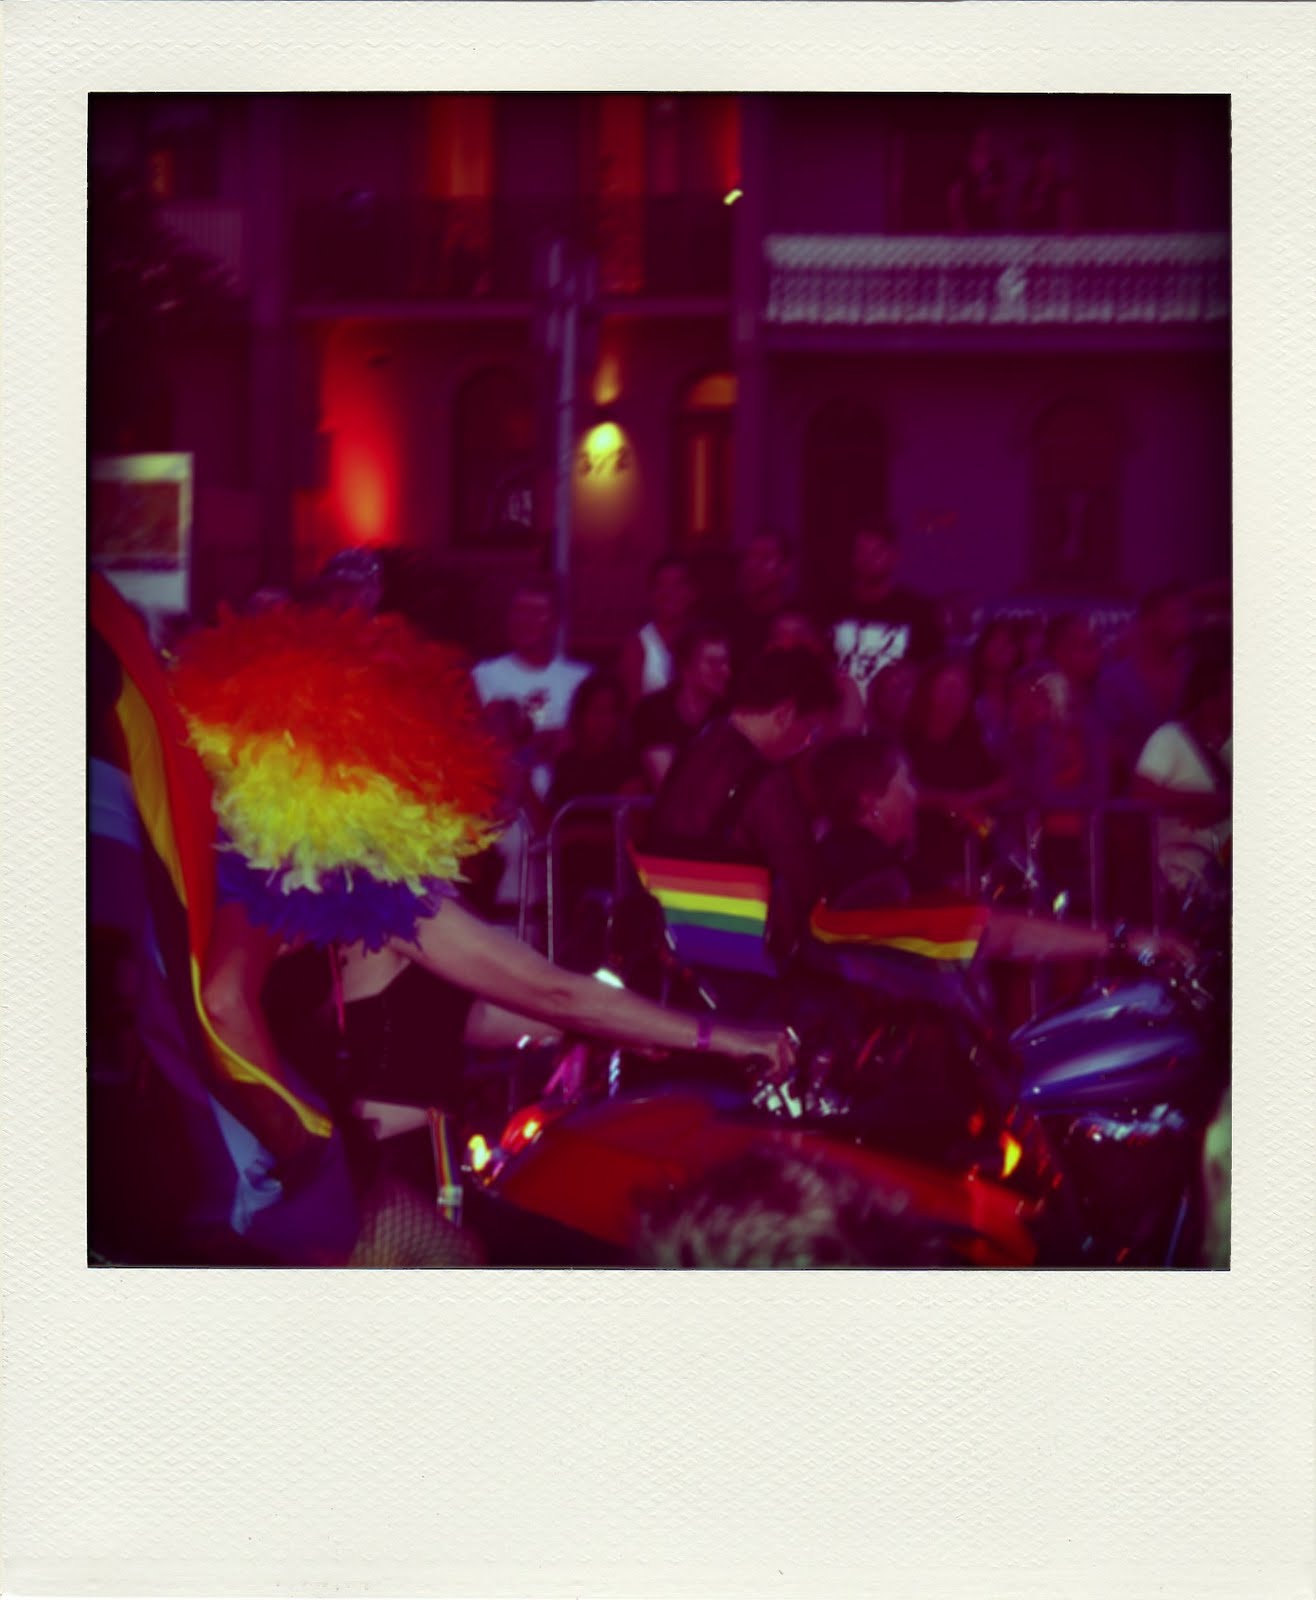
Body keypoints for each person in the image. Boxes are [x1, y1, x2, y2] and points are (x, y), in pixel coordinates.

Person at [174, 601, 798, 1267]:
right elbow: (554, 992)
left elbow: (466, 1017)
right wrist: (726, 1037)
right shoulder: (382, 896)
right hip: (397, 1181)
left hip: (407, 1173)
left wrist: (618, 1022)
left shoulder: (340, 887)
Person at [812, 735, 1189, 967]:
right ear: (871, 803)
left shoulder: (853, 856)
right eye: (905, 782)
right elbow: (999, 935)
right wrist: (1126, 941)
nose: (915, 794)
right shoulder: (871, 873)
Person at [645, 647, 839, 964]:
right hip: (736, 956)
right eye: (811, 729)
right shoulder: (763, 781)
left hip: (673, 944)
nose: (809, 743)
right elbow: (806, 884)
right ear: (785, 713)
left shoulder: (698, 747)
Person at [1132, 644, 1232, 910]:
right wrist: (1212, 802)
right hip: (1183, 885)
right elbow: (1142, 792)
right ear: (1209, 698)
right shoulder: (1169, 739)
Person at [904, 656, 1011, 892]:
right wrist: (946, 801)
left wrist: (971, 800)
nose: (956, 697)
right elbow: (900, 789)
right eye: (948, 688)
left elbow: (1004, 783)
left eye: (963, 689)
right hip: (922, 841)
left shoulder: (973, 741)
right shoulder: (906, 739)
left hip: (972, 836)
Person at [829, 523, 945, 705]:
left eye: (876, 552)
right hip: (842, 709)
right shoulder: (832, 606)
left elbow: (931, 667)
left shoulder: (917, 610)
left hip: (899, 710)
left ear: (894, 556)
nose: (868, 559)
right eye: (861, 551)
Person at [1095, 584, 1193, 792]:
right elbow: (1111, 749)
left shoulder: (1195, 675)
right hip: (1136, 797)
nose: (1185, 623)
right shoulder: (1113, 681)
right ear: (1148, 621)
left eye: (1186, 614)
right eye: (1175, 615)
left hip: (1198, 794)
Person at [632, 621, 733, 790]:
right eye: (713, 663)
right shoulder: (653, 713)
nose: (726, 671)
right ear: (685, 669)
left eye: (726, 662)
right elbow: (669, 786)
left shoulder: (728, 716)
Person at [547, 670, 646, 814]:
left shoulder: (630, 764)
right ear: (581, 715)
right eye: (597, 711)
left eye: (611, 712)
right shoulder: (566, 762)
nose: (603, 720)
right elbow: (550, 820)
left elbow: (629, 823)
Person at [616, 555, 696, 708]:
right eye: (662, 585)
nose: (670, 593)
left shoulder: (705, 641)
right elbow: (632, 707)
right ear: (651, 594)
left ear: (692, 593)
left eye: (678, 585)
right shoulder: (637, 646)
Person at [723, 531, 797, 671]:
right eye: (749, 557)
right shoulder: (725, 619)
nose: (752, 566)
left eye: (764, 558)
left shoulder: (797, 620)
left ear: (785, 568)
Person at [970, 617, 1022, 763]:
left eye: (1008, 642)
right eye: (996, 640)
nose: (1002, 647)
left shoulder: (1023, 694)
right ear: (982, 647)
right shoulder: (967, 695)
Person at [948, 127, 1006, 233]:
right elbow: (954, 193)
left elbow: (1003, 187)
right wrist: (957, 219)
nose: (984, 140)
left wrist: (992, 191)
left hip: (990, 218)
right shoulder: (962, 163)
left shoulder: (995, 164)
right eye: (981, 137)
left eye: (987, 137)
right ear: (974, 138)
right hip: (966, 216)